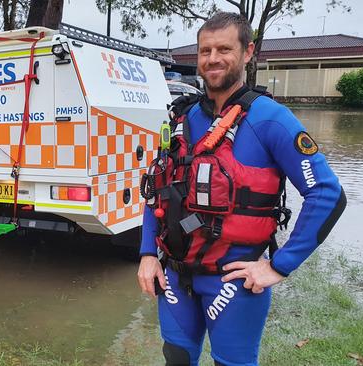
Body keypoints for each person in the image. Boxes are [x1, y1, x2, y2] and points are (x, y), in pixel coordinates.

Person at [137, 12, 346, 366]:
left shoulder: (270, 119)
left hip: (234, 282)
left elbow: (326, 194)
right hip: (172, 276)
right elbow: (158, 189)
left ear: (248, 52)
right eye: (205, 50)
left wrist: (280, 266)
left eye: (224, 49)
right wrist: (145, 254)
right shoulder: (181, 118)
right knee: (175, 358)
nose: (213, 58)